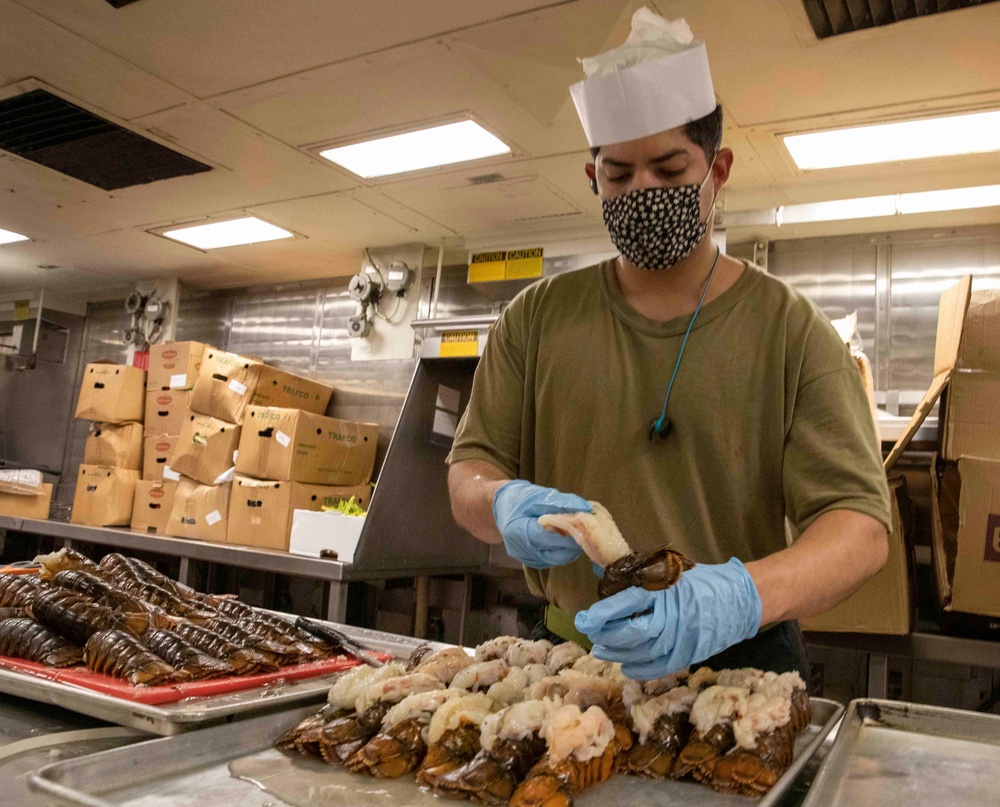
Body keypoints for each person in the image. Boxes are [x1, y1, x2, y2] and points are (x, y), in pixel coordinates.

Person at [446, 9, 890, 683]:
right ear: (593, 179)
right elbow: (468, 472)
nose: (644, 191)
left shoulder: (792, 331)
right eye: (619, 176)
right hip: (571, 662)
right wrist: (499, 502)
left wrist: (740, 596)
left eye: (670, 166)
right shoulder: (535, 320)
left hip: (740, 667)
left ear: (720, 169)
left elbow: (858, 526)